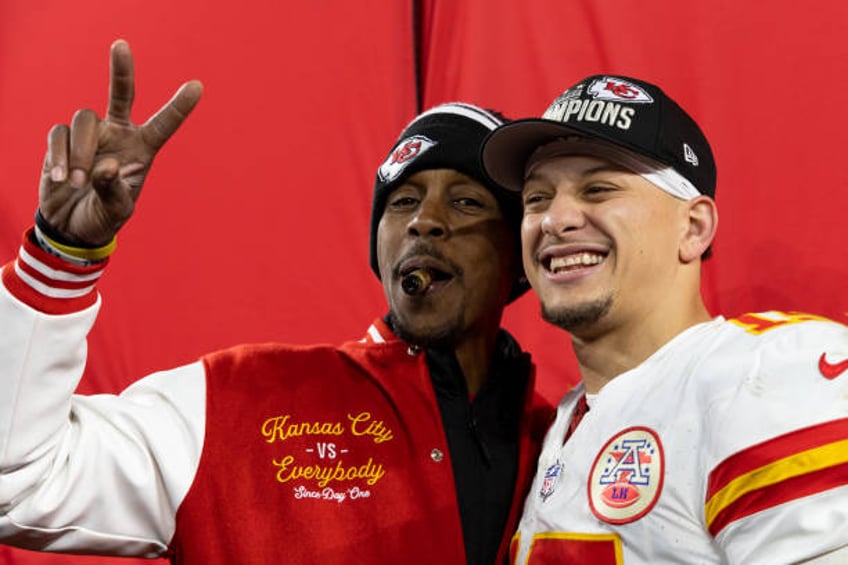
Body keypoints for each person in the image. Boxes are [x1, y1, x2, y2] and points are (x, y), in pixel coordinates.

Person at [0, 39, 553, 564]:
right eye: (403, 201)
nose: (423, 222)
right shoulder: (237, 406)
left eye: (466, 202)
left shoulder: (571, 442)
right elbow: (17, 484)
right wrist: (60, 256)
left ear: (519, 256)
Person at [479, 74, 848, 564]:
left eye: (598, 189)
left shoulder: (771, 376)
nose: (555, 219)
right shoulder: (560, 422)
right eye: (536, 199)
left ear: (693, 227)